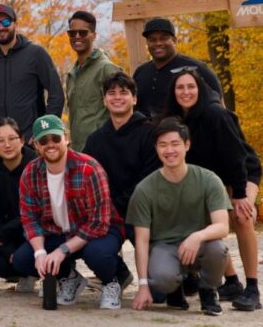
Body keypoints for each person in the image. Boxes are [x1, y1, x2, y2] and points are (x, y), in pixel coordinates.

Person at [161, 68, 261, 311]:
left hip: (241, 172)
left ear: (201, 89)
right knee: (208, 222)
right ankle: (232, 281)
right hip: (211, 179)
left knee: (241, 217)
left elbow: (236, 157)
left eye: (191, 86)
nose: (186, 92)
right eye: (180, 87)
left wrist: (239, 195)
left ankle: (252, 289)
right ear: (173, 92)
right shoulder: (175, 120)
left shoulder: (216, 114)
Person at [12, 114, 125, 309]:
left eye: (55, 138)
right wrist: (40, 253)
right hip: (59, 232)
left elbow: (98, 223)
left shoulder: (89, 168)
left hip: (100, 230)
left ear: (66, 138)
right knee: (23, 260)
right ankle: (69, 277)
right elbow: (29, 219)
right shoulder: (30, 173)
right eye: (43, 141)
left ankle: (112, 281)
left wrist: (62, 250)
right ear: (36, 145)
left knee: (98, 254)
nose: (50, 144)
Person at [127, 117, 230, 316]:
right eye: (163, 145)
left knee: (218, 249)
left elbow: (223, 227)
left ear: (187, 145)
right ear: (156, 148)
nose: (169, 150)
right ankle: (174, 288)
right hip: (165, 247)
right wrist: (143, 286)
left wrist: (197, 236)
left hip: (200, 245)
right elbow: (141, 241)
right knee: (162, 279)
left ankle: (208, 289)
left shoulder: (209, 180)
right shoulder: (144, 189)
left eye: (175, 144)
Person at [83, 71, 160, 288]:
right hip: (110, 218)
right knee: (95, 253)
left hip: (144, 214)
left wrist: (115, 205)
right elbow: (87, 181)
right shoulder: (95, 140)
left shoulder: (150, 133)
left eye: (124, 92)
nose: (117, 97)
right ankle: (120, 274)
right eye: (111, 93)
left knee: (160, 290)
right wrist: (104, 209)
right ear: (104, 100)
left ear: (134, 99)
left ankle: (185, 277)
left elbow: (150, 179)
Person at [0, 4, 64, 139]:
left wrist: (45, 130)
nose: (0, 27)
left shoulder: (36, 54)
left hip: (30, 139)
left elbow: (56, 94)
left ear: (16, 24)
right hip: (2, 142)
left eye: (6, 22)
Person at [0, 118, 37, 291]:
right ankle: (28, 274)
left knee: (27, 255)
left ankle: (61, 275)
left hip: (40, 232)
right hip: (12, 238)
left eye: (12, 138)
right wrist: (8, 250)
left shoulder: (37, 168)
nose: (7, 145)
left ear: (22, 140)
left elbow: (40, 211)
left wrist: (8, 229)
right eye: (0, 140)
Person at [132, 17, 222, 117]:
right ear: (147, 43)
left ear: (174, 41)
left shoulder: (196, 68)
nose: (158, 43)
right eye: (152, 40)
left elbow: (218, 108)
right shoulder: (140, 72)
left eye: (164, 38)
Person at [65, 11, 120, 151]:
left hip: (104, 149)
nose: (77, 36)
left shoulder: (107, 69)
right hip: (79, 151)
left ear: (94, 35)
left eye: (83, 33)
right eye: (72, 33)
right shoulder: (72, 74)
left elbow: (122, 111)